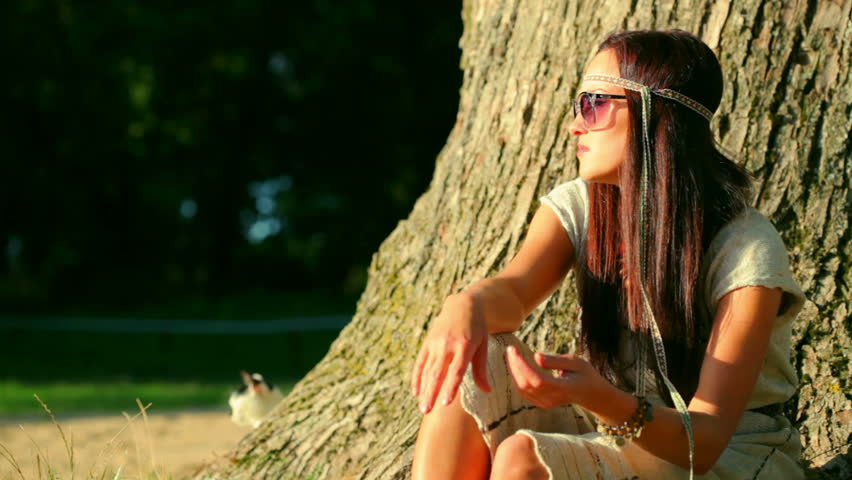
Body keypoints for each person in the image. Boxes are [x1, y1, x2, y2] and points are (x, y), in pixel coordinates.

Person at [410, 29, 805, 480]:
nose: (574, 124)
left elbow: (707, 441)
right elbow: (515, 293)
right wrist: (466, 305)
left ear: (656, 115)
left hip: (731, 456)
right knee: (469, 359)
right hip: (617, 430)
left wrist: (599, 397)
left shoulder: (745, 251)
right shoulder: (581, 205)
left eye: (593, 104)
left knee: (522, 459)